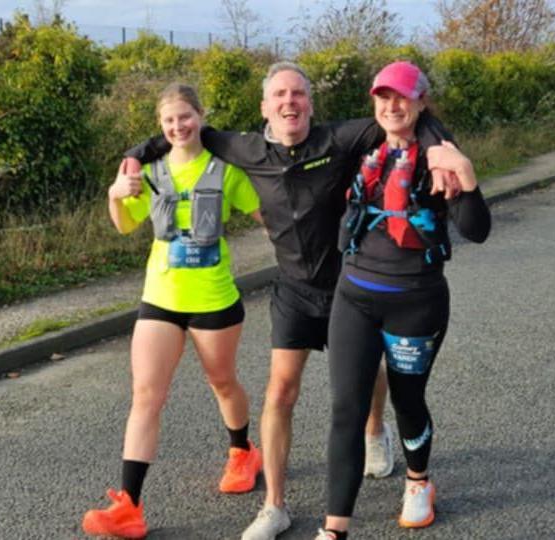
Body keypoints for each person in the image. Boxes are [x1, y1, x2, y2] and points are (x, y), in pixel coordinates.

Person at [124, 62, 463, 540]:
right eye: (279, 95)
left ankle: (374, 430)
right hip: (293, 291)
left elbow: (410, 119)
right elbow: (184, 133)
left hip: (350, 288)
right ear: (265, 107)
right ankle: (274, 507)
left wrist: (441, 153)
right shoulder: (245, 148)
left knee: (371, 377)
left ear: (310, 103)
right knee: (279, 393)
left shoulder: (341, 140)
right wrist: (135, 155)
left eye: (298, 94)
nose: (289, 102)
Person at [313, 61, 491, 540]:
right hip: (354, 297)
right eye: (383, 97)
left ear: (421, 101)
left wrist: (466, 175)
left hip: (417, 301)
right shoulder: (361, 147)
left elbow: (477, 230)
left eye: (403, 97)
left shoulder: (439, 157)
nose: (393, 106)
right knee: (346, 409)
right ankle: (335, 529)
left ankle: (418, 481)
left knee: (408, 401)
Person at [81, 83, 265, 539]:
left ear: (200, 116)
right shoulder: (148, 172)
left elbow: (267, 213)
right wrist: (114, 194)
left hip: (214, 299)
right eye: (169, 121)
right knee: (146, 395)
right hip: (160, 298)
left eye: (185, 116)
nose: (178, 126)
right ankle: (129, 506)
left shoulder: (225, 170)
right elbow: (125, 226)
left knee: (222, 383)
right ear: (160, 127)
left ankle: (243, 451)